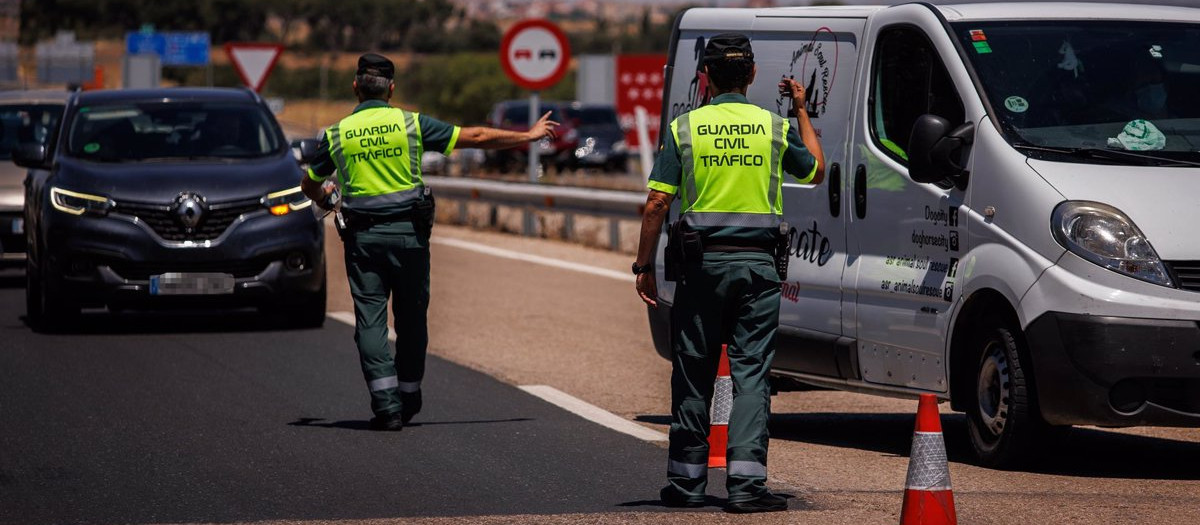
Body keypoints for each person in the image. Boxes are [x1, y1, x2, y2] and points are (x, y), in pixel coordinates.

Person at [301, 53, 558, 431]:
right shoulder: (411, 124)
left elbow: (309, 183)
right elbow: (478, 136)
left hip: (363, 241)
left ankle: (386, 405)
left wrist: (325, 196)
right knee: (411, 317)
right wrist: (528, 135)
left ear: (355, 87)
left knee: (370, 322)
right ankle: (408, 394)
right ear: (392, 88)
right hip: (409, 239)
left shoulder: (336, 134)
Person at [632, 33, 825, 513]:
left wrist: (644, 264)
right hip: (758, 270)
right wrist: (800, 109)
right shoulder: (774, 128)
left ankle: (686, 485)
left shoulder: (685, 128)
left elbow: (658, 201)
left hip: (701, 269)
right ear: (753, 75)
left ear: (706, 77)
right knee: (752, 376)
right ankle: (746, 488)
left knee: (693, 374)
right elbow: (816, 170)